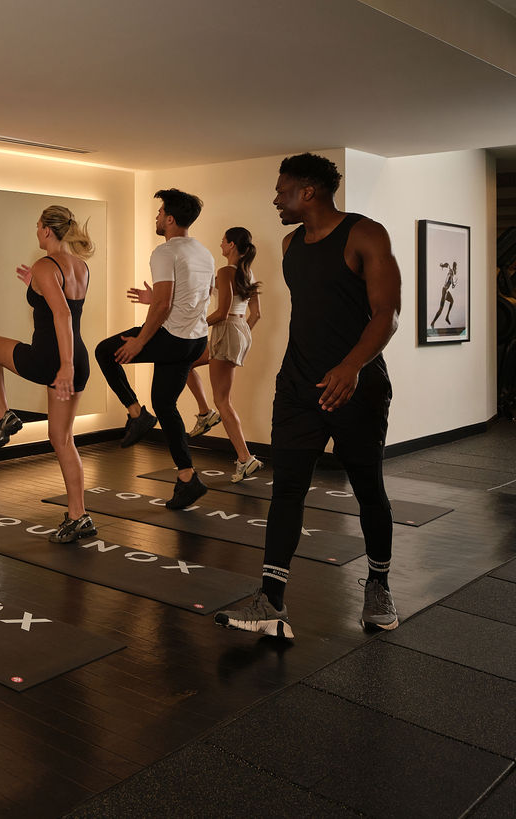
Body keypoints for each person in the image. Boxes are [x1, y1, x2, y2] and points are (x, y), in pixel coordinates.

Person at [216, 152, 401, 640]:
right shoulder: (290, 243)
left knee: (368, 490)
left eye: (282, 191)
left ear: (308, 192)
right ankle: (271, 600)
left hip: (356, 387)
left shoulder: (365, 234)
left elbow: (387, 314)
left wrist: (351, 365)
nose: (275, 199)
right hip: (298, 388)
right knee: (287, 491)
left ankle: (379, 586)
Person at [0, 205, 96, 544]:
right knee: (62, 439)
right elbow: (62, 303)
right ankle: (78, 515)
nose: (36, 231)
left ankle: (4, 416)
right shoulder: (80, 266)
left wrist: (64, 366)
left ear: (46, 230)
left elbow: (62, 316)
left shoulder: (46, 266)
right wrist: (34, 284)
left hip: (52, 359)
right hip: (75, 357)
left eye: (38, 226)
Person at [94, 188, 215, 509]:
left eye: (160, 213)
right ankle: (188, 477)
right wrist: (159, 300)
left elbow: (163, 305)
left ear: (171, 219)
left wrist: (140, 341)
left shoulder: (164, 252)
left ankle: (136, 413)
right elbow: (203, 292)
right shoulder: (203, 252)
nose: (157, 217)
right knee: (165, 403)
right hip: (195, 339)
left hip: (172, 337)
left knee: (106, 351)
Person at [206, 226, 263, 482]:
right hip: (238, 330)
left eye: (222, 241)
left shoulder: (226, 271)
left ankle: (245, 458)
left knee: (222, 401)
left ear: (231, 245)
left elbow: (220, 313)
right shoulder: (248, 272)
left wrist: (197, 327)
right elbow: (256, 315)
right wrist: (241, 335)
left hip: (225, 329)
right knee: (184, 361)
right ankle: (204, 414)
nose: (220, 245)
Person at [430, 261, 457, 327]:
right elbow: (447, 264)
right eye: (455, 267)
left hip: (446, 291)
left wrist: (442, 265)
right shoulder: (451, 272)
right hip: (445, 291)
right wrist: (442, 265)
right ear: (454, 267)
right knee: (441, 309)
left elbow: (452, 285)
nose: (455, 269)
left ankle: (447, 317)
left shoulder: (452, 274)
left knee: (452, 301)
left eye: (455, 267)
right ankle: (433, 322)